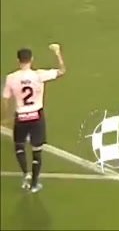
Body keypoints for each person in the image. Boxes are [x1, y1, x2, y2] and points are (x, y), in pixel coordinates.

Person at [1, 44, 67, 193]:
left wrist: (5, 116)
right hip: (36, 116)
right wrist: (57, 53)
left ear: (18, 60)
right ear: (31, 59)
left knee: (19, 147)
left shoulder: (11, 78)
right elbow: (62, 71)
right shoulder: (38, 75)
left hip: (21, 117)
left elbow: (5, 99)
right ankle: (35, 184)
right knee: (37, 151)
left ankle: (26, 174)